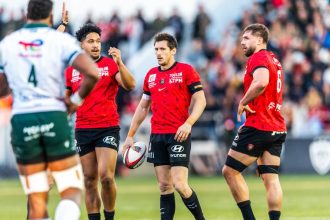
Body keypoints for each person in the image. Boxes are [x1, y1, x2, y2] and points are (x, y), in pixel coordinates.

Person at [0, 0, 100, 219]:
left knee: (36, 193)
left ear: (27, 14)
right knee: (71, 189)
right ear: (51, 16)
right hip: (54, 115)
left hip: (22, 119)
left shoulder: (7, 43)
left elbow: (1, 89)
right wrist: (76, 100)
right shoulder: (60, 41)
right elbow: (93, 73)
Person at [123, 32, 206, 220]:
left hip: (178, 134)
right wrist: (130, 135)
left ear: (173, 50)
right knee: (164, 186)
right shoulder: (151, 76)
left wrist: (188, 123)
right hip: (157, 136)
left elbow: (201, 100)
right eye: (156, 50)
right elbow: (143, 107)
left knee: (180, 184)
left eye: (162, 49)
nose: (158, 53)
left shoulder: (186, 71)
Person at [65, 23, 136, 220]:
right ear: (81, 45)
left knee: (106, 176)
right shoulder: (72, 70)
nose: (96, 45)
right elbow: (66, 101)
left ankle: (110, 217)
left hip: (107, 127)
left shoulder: (109, 64)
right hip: (83, 129)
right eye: (91, 41)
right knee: (89, 180)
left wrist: (120, 62)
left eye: (98, 41)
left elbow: (130, 85)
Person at [222, 23, 287, 220]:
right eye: (242, 39)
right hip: (277, 126)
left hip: (259, 125)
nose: (242, 42)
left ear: (260, 40)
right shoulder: (274, 59)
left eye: (246, 38)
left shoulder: (258, 57)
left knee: (230, 171)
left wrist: (243, 101)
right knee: (271, 178)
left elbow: (261, 82)